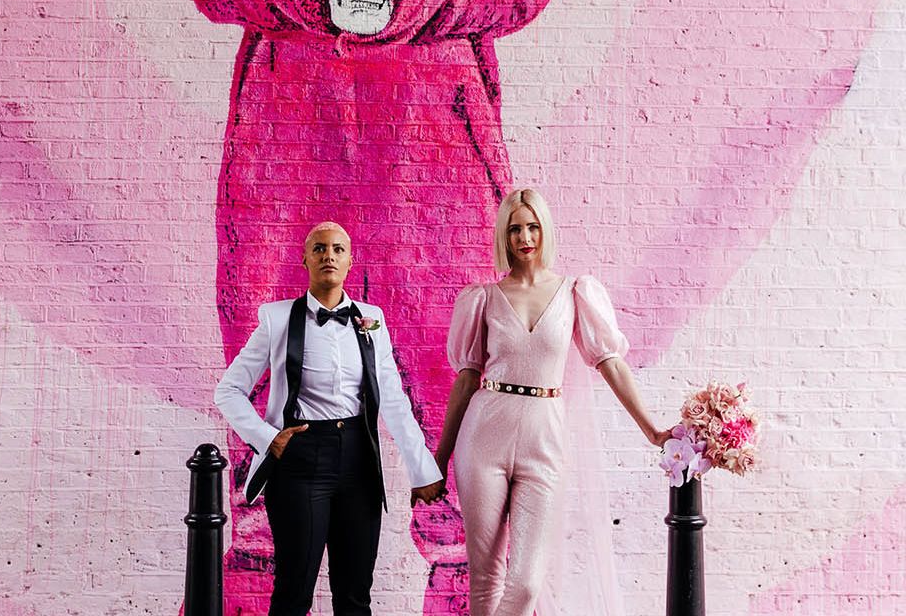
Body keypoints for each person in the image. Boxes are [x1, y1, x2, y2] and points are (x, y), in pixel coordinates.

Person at [432, 189, 671, 616]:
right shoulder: (483, 297)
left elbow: (610, 363)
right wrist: (440, 457)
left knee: (525, 583)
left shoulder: (575, 292)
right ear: (504, 236)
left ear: (546, 230)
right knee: (486, 577)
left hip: (545, 438)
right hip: (484, 435)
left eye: (533, 226)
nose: (525, 236)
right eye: (515, 228)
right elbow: (467, 379)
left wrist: (652, 429)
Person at [214, 221, 446, 616]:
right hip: (301, 459)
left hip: (359, 460)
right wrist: (268, 437)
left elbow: (392, 397)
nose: (329, 256)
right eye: (319, 249)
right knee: (294, 591)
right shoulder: (277, 319)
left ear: (350, 261)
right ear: (305, 259)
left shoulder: (371, 319)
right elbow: (228, 391)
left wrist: (423, 469)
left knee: (355, 595)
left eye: (338, 249)